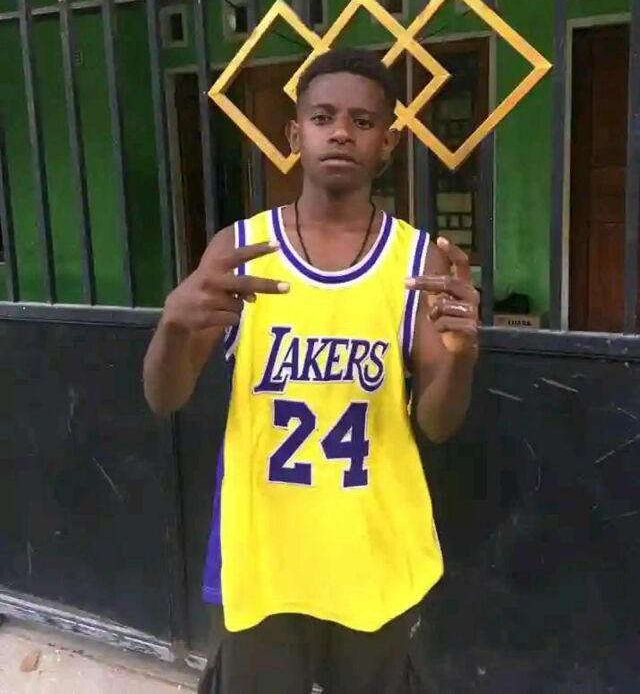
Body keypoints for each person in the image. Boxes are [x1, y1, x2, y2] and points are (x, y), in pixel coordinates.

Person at [143, 48, 479, 694]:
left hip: (374, 546)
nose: (341, 132)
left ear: (387, 143)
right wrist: (173, 325)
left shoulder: (415, 261)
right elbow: (165, 396)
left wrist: (462, 358)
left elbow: (438, 425)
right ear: (295, 135)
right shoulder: (242, 247)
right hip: (265, 551)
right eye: (323, 117)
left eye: (362, 120)